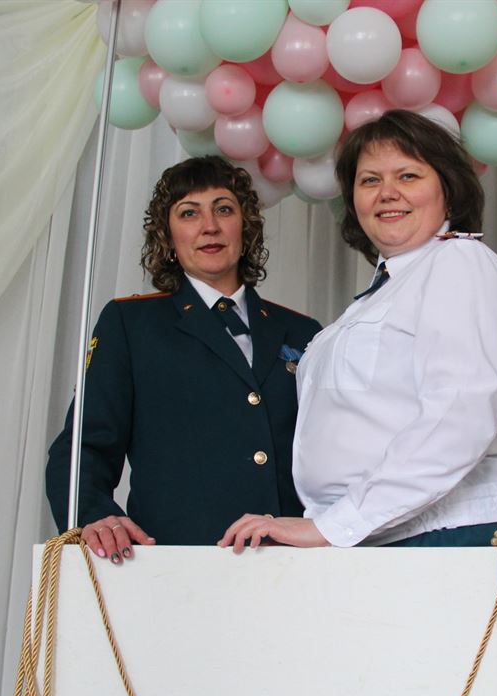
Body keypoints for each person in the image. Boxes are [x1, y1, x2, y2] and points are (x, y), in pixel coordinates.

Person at [219, 110, 497, 552]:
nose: (387, 193)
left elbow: (460, 413)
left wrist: (336, 525)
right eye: (369, 181)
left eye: (408, 175)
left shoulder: (458, 262)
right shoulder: (382, 292)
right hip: (378, 532)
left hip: (441, 533)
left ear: (447, 189)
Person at [46, 156, 321, 562]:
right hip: (174, 564)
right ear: (168, 235)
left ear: (245, 226)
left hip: (294, 563)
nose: (209, 226)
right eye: (189, 213)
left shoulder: (303, 331)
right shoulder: (131, 324)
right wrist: (94, 515)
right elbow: (83, 447)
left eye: (223, 209)